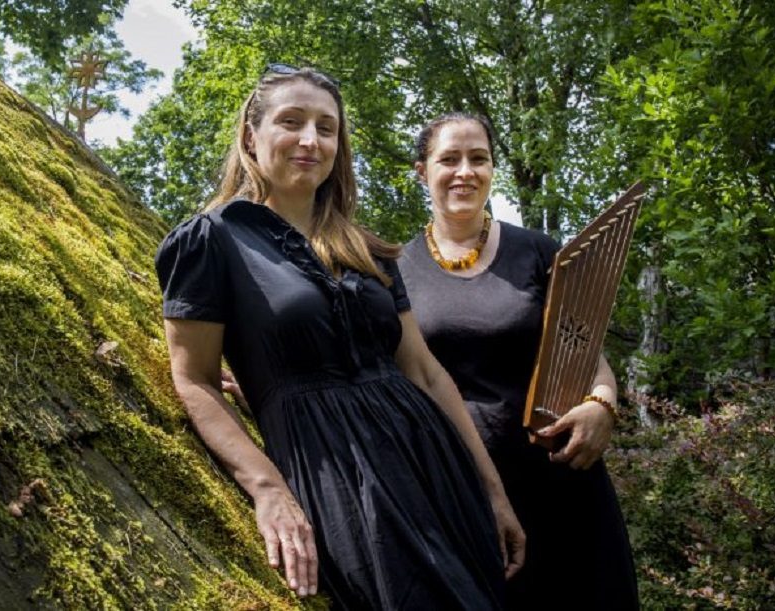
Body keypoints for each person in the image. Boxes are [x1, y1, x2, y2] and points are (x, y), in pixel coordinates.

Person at [155, 68, 525, 610]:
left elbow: (424, 372)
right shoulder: (209, 241)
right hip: (336, 477)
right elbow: (193, 379)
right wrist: (267, 489)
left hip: (434, 468)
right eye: (292, 122)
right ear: (250, 135)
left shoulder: (365, 249)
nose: (311, 140)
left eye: (326, 128)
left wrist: (492, 491)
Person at [398, 112, 639, 610]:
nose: (465, 171)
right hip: (460, 493)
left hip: (562, 484)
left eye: (479, 159)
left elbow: (588, 353)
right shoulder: (393, 270)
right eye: (449, 159)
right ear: (423, 171)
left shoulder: (540, 253)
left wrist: (603, 404)